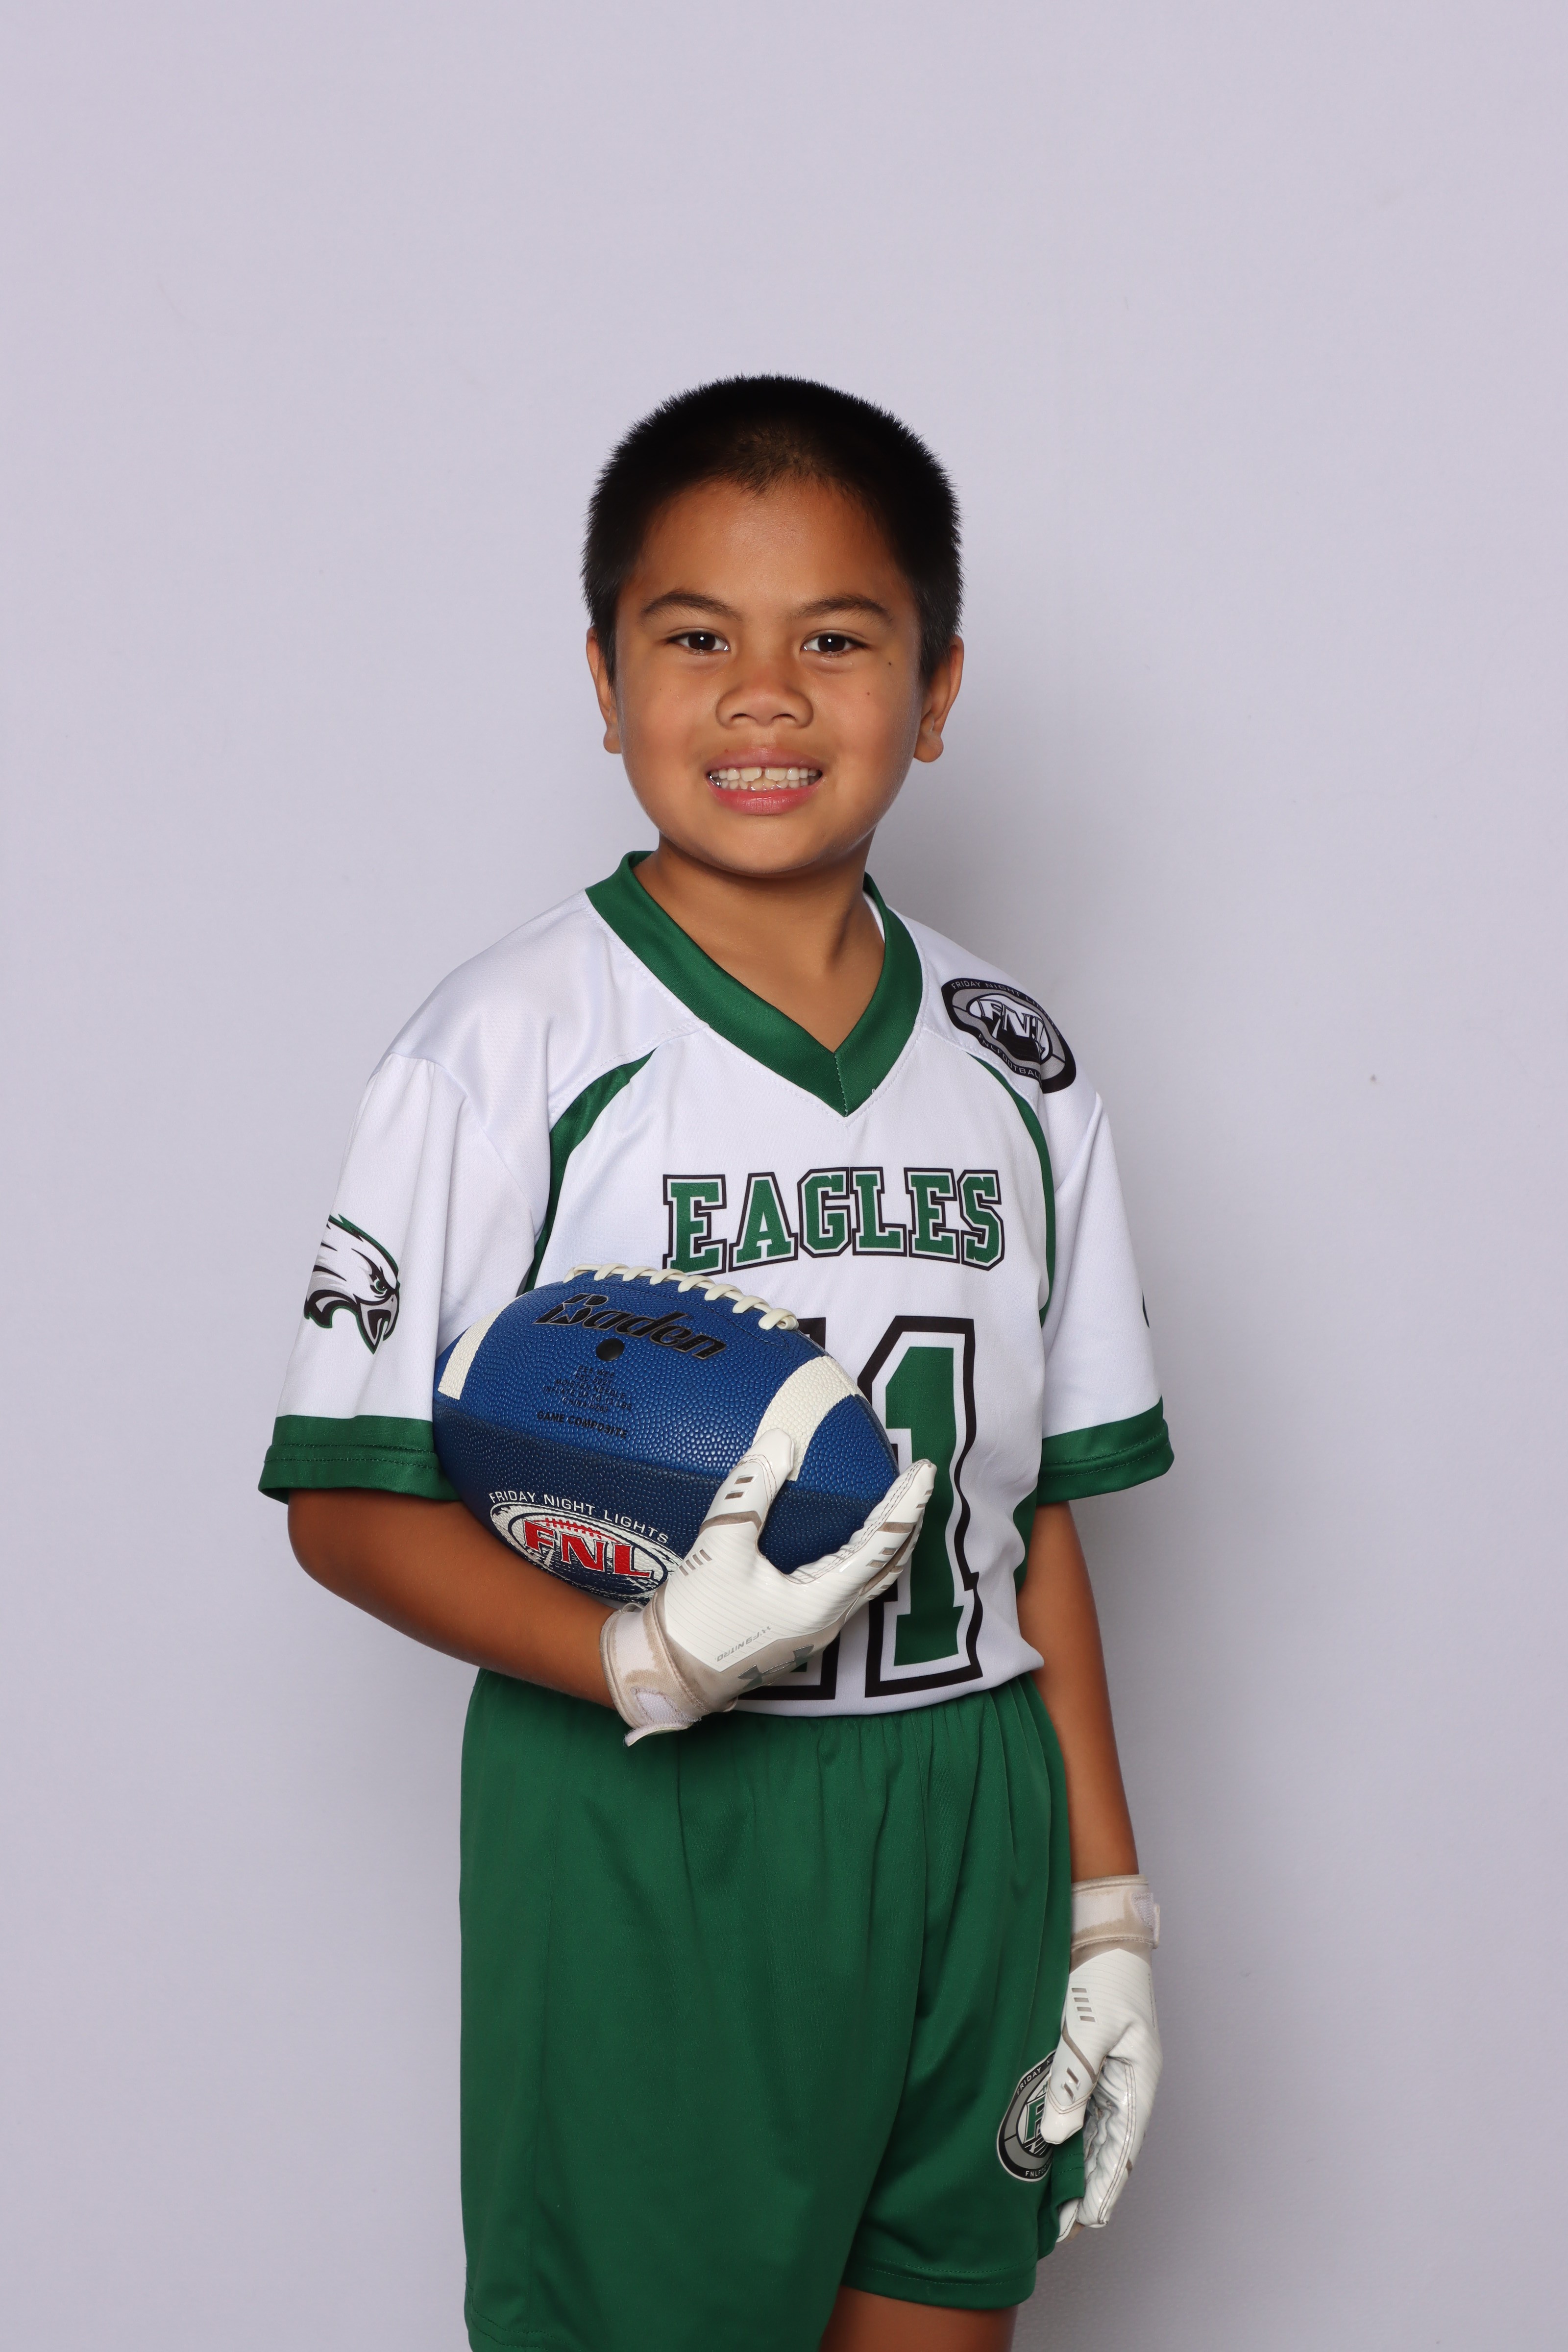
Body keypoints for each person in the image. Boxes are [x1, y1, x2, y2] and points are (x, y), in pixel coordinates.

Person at [263, 376, 1172, 2352]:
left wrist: (1104, 1898)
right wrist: (643, 1661)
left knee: (941, 2312)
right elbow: (344, 1507)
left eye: (834, 641)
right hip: (655, 1817)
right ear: (604, 681)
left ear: (935, 690)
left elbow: (1036, 1523)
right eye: (695, 639)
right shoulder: (506, 1044)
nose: (764, 697)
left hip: (970, 1800)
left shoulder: (1014, 1058)